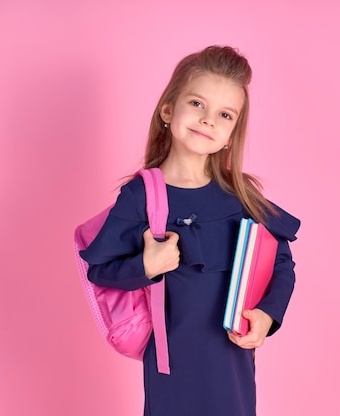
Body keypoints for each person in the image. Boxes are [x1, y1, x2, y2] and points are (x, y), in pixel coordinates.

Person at [80, 45, 300, 416]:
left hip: (232, 359)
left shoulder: (240, 195)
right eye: (197, 104)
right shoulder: (140, 197)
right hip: (172, 364)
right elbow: (100, 271)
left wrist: (266, 315)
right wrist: (146, 266)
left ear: (232, 133)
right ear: (168, 109)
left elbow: (281, 263)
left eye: (224, 114)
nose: (208, 120)